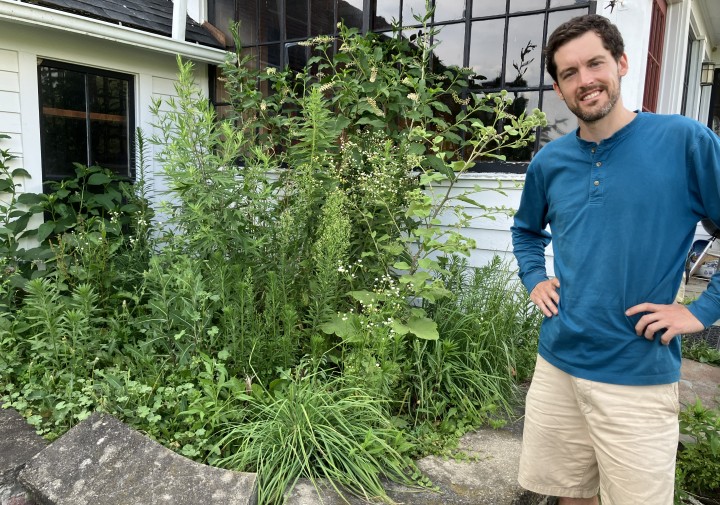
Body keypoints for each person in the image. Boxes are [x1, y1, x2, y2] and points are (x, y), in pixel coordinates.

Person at [511, 13, 720, 505]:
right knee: (568, 493)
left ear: (622, 63)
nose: (584, 81)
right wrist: (535, 277)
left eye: (594, 64)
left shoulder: (684, 141)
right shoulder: (550, 161)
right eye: (568, 74)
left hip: (637, 373)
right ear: (559, 90)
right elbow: (525, 230)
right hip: (558, 362)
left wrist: (701, 310)